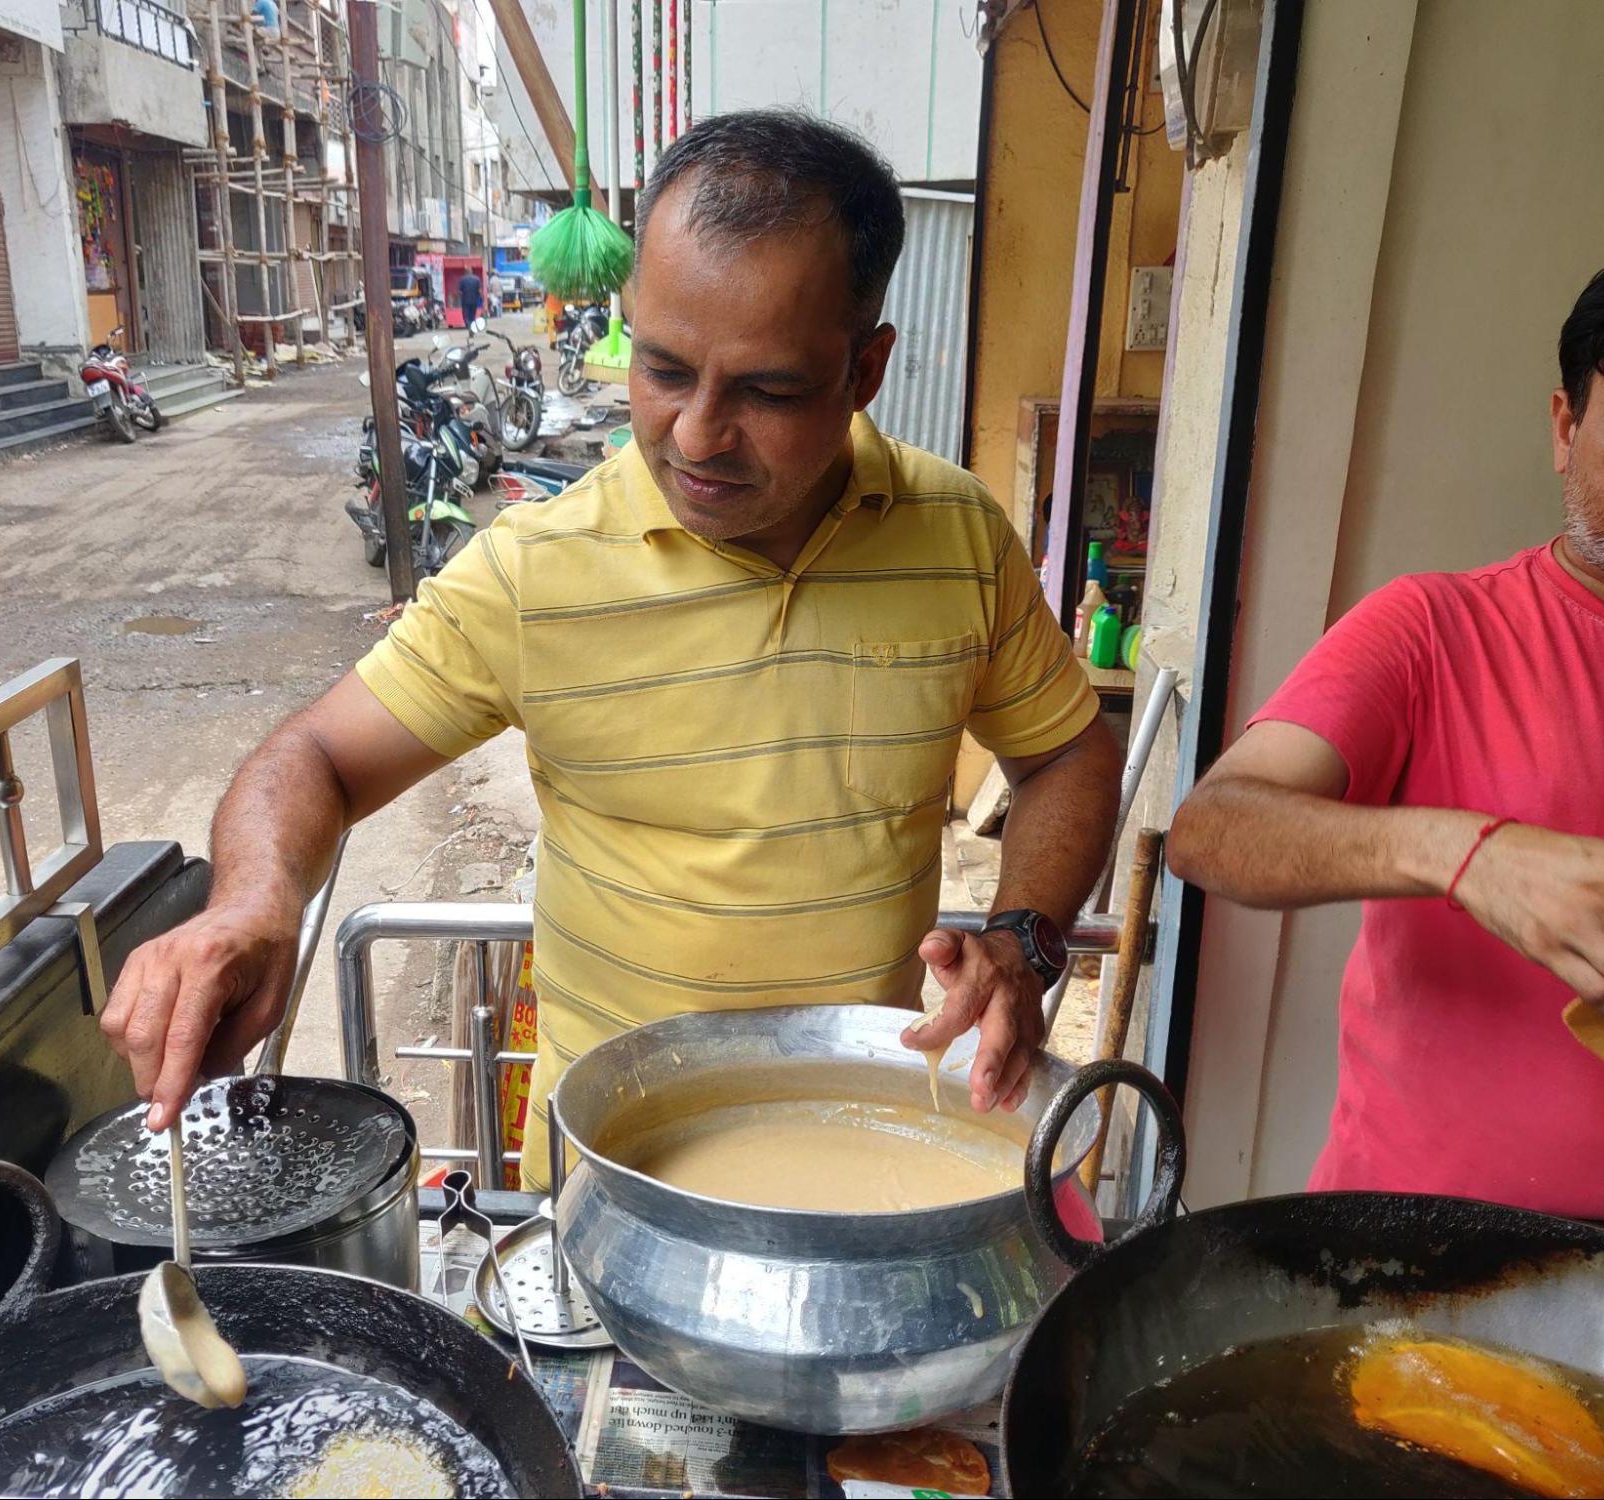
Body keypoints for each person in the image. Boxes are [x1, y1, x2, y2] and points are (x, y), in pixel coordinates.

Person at [99, 110, 1121, 1183]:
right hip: (611, 1177)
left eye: (765, 390)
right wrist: (255, 903)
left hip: (860, 1154)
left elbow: (1065, 753)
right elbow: (314, 756)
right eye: (664, 367)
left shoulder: (956, 537)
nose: (696, 435)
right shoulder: (537, 567)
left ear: (864, 372)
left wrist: (1025, 937)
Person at [1166, 256, 1604, 1220]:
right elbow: (1210, 830)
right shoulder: (1433, 628)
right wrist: (1468, 855)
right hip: (1415, 1253)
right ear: (1563, 428)